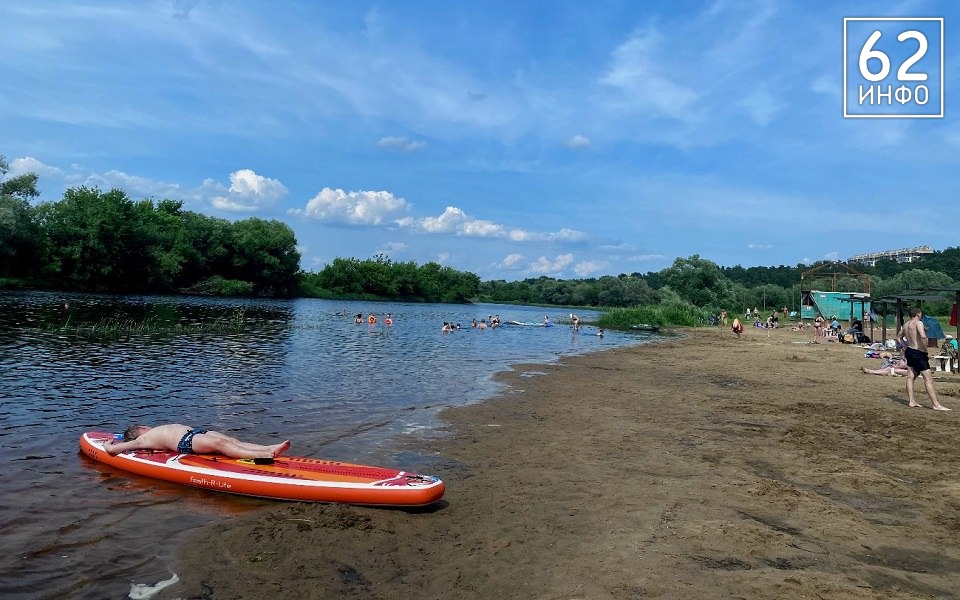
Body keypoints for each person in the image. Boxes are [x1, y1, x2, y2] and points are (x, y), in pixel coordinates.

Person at [104, 424, 290, 459]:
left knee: (232, 440)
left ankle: (270, 447)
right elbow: (114, 451)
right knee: (222, 445)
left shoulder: (149, 437)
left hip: (196, 433)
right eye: (143, 426)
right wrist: (107, 445)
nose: (147, 426)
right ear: (140, 431)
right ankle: (264, 455)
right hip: (187, 441)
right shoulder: (142, 440)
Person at [897, 308, 950, 410]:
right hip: (918, 352)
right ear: (918, 314)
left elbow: (898, 337)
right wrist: (925, 350)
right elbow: (923, 336)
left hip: (909, 351)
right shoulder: (919, 323)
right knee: (928, 379)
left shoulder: (906, 324)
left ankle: (912, 401)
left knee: (910, 377)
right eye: (920, 313)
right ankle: (936, 404)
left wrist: (904, 347)